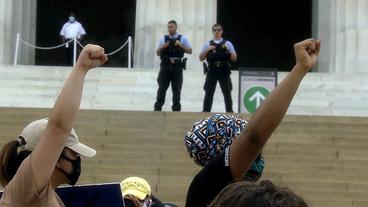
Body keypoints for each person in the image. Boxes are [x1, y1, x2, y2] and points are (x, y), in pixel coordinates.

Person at [185, 38, 321, 207]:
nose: (259, 153)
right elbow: (254, 136)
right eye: (255, 152)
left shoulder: (256, 195)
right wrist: (300, 68)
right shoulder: (207, 189)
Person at [0, 44, 108, 206]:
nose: (78, 161)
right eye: (74, 154)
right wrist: (81, 67)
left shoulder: (45, 194)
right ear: (55, 155)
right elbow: (58, 128)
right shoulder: (27, 187)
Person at [154, 20, 192, 112]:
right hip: (165, 66)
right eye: (168, 27)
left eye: (171, 27)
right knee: (162, 87)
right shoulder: (163, 39)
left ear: (176, 28)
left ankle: (176, 108)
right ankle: (158, 107)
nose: (169, 29)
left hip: (177, 66)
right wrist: (163, 46)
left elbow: (190, 51)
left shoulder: (183, 39)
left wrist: (180, 45)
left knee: (176, 89)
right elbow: (157, 53)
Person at [199, 23, 237, 113]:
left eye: (219, 30)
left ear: (222, 31)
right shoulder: (208, 44)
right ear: (213, 32)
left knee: (227, 92)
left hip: (224, 70)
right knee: (209, 92)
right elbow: (201, 58)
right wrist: (208, 49)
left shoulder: (227, 43)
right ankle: (205, 111)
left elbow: (234, 58)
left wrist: (228, 50)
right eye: (215, 30)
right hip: (212, 70)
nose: (217, 31)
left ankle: (229, 112)